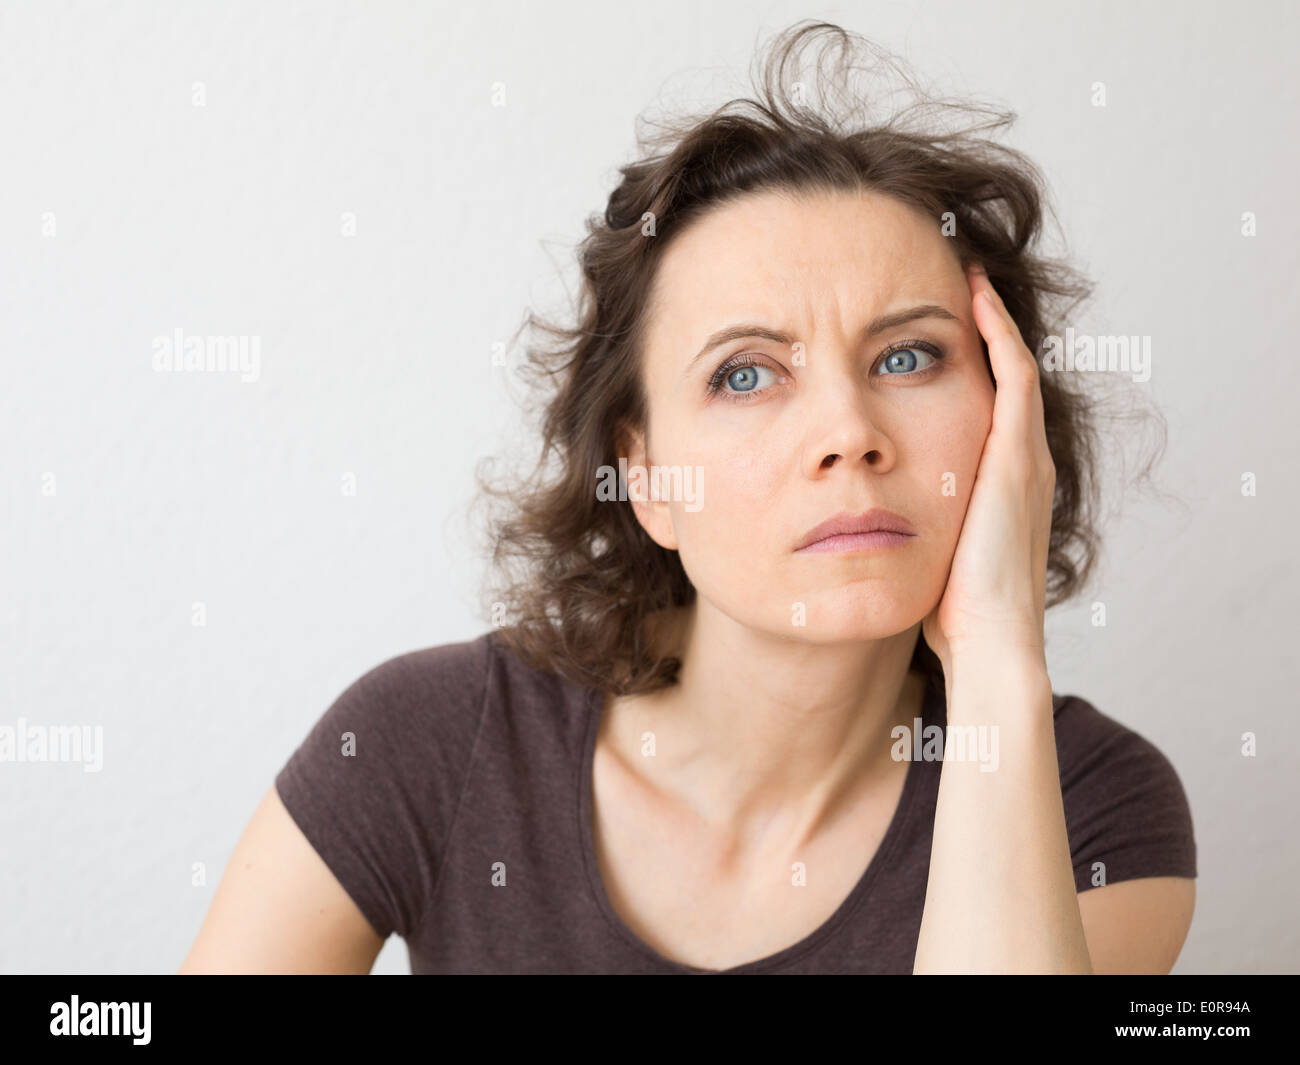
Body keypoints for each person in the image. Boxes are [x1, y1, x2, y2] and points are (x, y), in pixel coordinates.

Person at [180, 21, 1195, 975]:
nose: (848, 433)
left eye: (908, 355)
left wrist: (996, 659)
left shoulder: (1091, 810)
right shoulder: (429, 738)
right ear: (647, 476)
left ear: (1007, 418)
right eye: (744, 375)